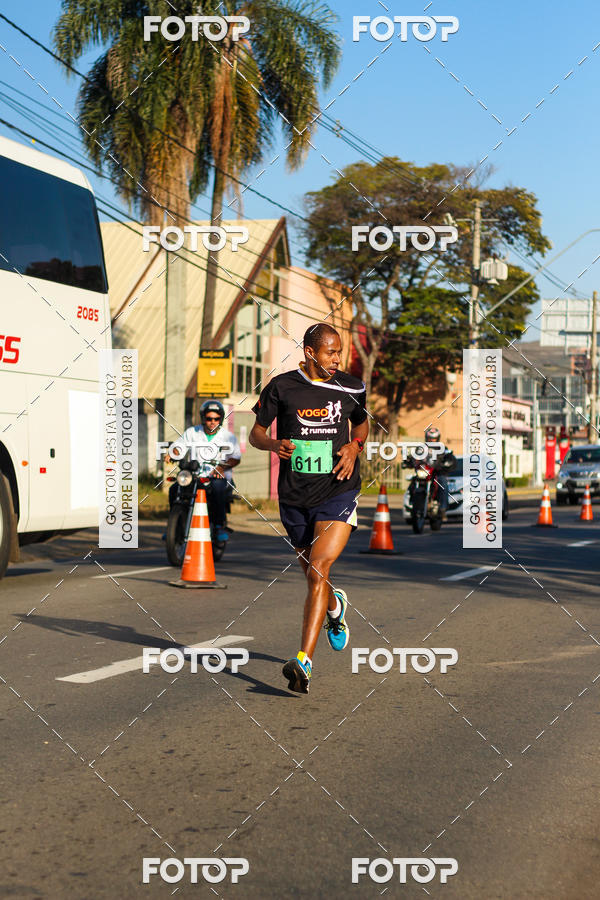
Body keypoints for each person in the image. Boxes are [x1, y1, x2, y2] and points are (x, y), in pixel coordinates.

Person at [249, 323, 369, 694]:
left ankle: (304, 661)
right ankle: (336, 608)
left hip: (338, 489)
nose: (338, 358)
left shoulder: (351, 386)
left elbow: (362, 426)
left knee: (318, 568)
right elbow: (255, 433)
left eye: (340, 351)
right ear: (310, 352)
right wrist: (273, 444)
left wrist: (354, 447)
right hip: (294, 496)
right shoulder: (282, 386)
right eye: (331, 352)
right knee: (312, 574)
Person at [167, 400, 241, 542]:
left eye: (216, 419)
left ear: (220, 419)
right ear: (203, 418)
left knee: (218, 488)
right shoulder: (192, 432)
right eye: (209, 419)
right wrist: (172, 453)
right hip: (195, 476)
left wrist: (221, 467)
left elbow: (235, 458)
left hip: (217, 478)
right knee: (174, 489)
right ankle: (174, 527)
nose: (212, 422)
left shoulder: (228, 437)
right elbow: (179, 446)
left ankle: (219, 526)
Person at [424, 426, 455, 517]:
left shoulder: (442, 448)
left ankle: (443, 508)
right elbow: (414, 456)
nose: (431, 441)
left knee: (443, 482)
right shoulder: (422, 448)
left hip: (437, 473)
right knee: (414, 479)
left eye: (434, 439)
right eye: (430, 438)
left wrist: (447, 463)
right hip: (425, 472)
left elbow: (449, 458)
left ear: (437, 439)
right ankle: (413, 503)